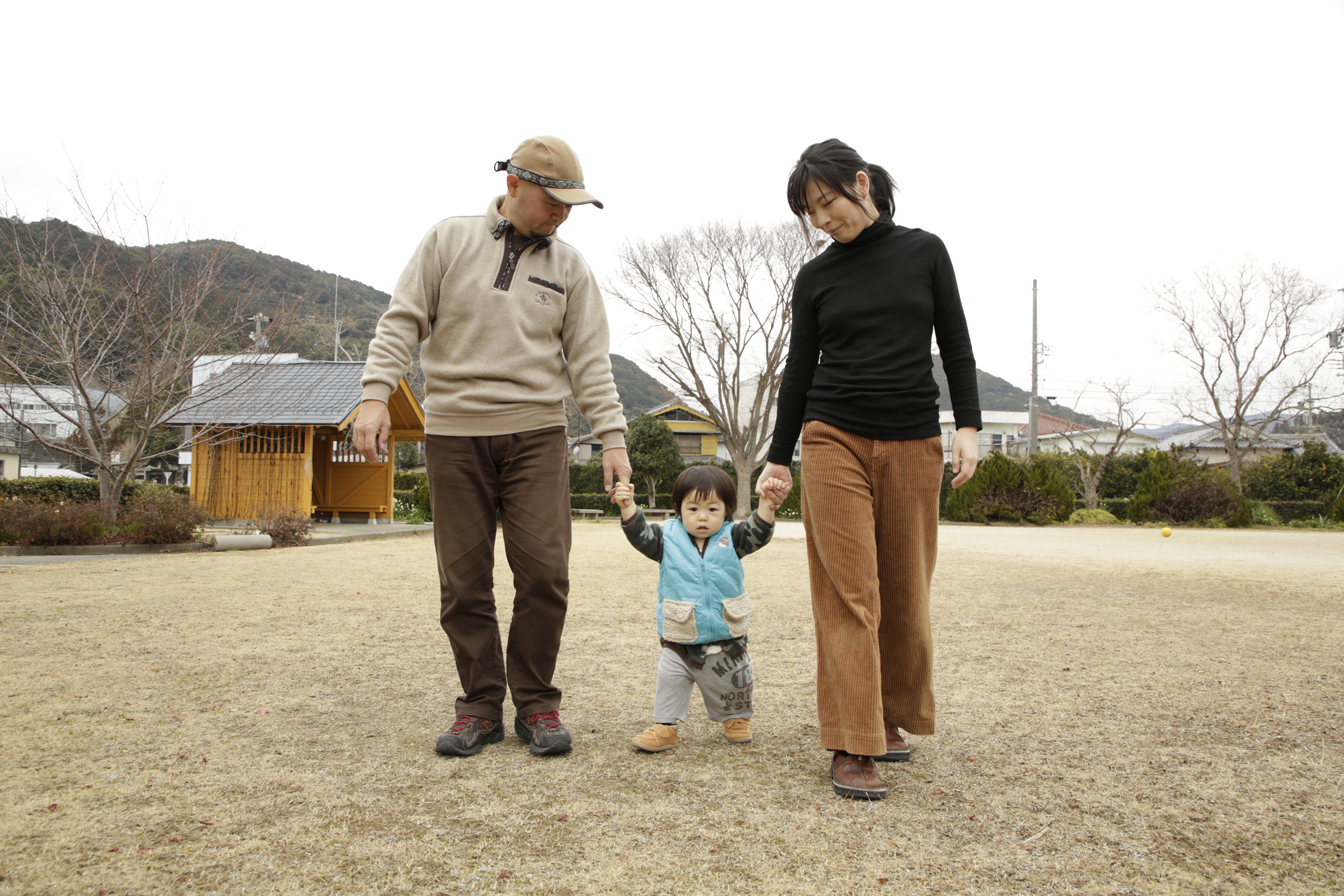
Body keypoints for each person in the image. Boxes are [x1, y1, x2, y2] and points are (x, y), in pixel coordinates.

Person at [353, 136, 630, 758]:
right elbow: (402, 320)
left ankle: (536, 704)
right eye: (552, 201)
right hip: (453, 433)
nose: (562, 214)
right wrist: (375, 394)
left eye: (571, 206)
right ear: (513, 186)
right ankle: (480, 705)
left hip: (538, 433)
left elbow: (590, 361)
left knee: (545, 573)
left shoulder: (571, 268)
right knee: (464, 580)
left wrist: (612, 437)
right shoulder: (448, 241)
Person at [754, 139, 982, 800]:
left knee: (905, 590)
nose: (822, 220)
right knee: (849, 592)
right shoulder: (817, 277)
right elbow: (798, 373)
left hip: (913, 439)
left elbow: (956, 342)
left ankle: (886, 717)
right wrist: (779, 455)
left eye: (827, 203)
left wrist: (966, 425)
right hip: (833, 439)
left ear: (861, 183)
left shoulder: (924, 251)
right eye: (810, 212)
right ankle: (852, 742)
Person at [612, 465, 790, 753]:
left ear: (727, 511)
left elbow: (759, 532)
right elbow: (640, 535)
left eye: (712, 509)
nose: (702, 517)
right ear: (679, 508)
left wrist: (768, 504)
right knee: (670, 678)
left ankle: (736, 718)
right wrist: (628, 506)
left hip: (726, 634)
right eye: (693, 508)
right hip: (680, 634)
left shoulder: (734, 538)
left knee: (734, 679)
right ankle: (664, 727)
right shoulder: (666, 539)